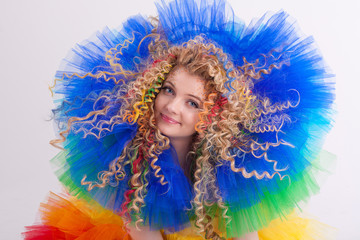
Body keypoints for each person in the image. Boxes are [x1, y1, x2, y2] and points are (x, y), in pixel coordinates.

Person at [23, 0, 335, 239]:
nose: (172, 107)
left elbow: (244, 232)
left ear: (217, 115)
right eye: (168, 90)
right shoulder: (130, 161)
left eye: (192, 102)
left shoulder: (232, 167)